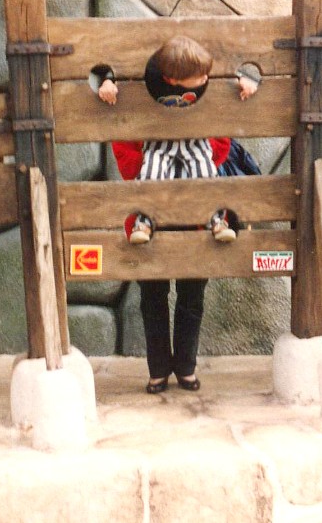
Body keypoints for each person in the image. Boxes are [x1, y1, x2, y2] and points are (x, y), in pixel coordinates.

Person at [97, 36, 258, 393]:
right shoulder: (139, 93)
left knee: (192, 296)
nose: (204, 82)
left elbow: (219, 146)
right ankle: (158, 370)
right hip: (148, 211)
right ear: (171, 77)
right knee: (152, 296)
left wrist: (246, 82)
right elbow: (125, 151)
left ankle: (185, 367)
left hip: (197, 217)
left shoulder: (207, 88)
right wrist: (105, 82)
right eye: (199, 78)